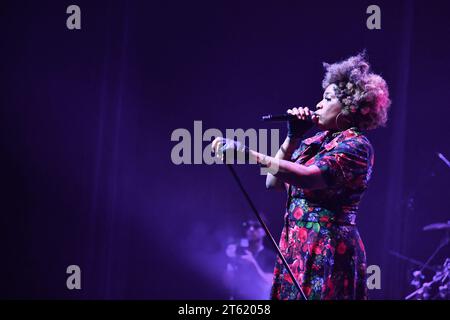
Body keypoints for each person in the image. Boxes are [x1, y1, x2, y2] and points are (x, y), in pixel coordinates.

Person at [212, 52, 391, 300]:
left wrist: (248, 153)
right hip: (297, 248)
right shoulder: (314, 142)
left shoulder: (357, 146)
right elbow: (272, 182)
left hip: (327, 251)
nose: (317, 104)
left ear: (350, 107)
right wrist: (292, 136)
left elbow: (308, 177)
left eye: (327, 98)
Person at [223, 219, 276, 300]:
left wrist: (253, 264)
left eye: (256, 226)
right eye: (248, 226)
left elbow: (269, 282)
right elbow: (227, 282)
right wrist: (229, 260)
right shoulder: (239, 252)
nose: (251, 229)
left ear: (265, 231)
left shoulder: (271, 256)